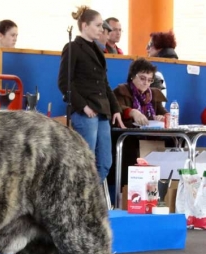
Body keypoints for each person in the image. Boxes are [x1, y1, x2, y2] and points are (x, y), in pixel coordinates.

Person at [58, 6, 124, 183]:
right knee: (86, 162)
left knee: (105, 162)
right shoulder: (73, 47)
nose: (101, 29)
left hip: (101, 110)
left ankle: (91, 196)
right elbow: (64, 83)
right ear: (85, 25)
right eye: (98, 25)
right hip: (85, 112)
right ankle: (85, 200)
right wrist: (83, 106)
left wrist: (115, 108)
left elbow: (104, 83)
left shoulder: (98, 50)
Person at [109, 58, 167, 189]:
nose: (146, 83)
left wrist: (161, 117)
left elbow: (164, 113)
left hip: (150, 139)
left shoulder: (153, 94)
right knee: (128, 147)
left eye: (149, 80)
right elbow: (116, 108)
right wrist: (132, 112)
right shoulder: (121, 91)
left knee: (172, 144)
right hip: (129, 138)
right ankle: (126, 191)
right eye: (142, 78)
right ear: (132, 77)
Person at [147, 31, 178, 101]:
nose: (147, 48)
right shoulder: (174, 63)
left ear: (159, 45)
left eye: (149, 45)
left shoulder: (159, 64)